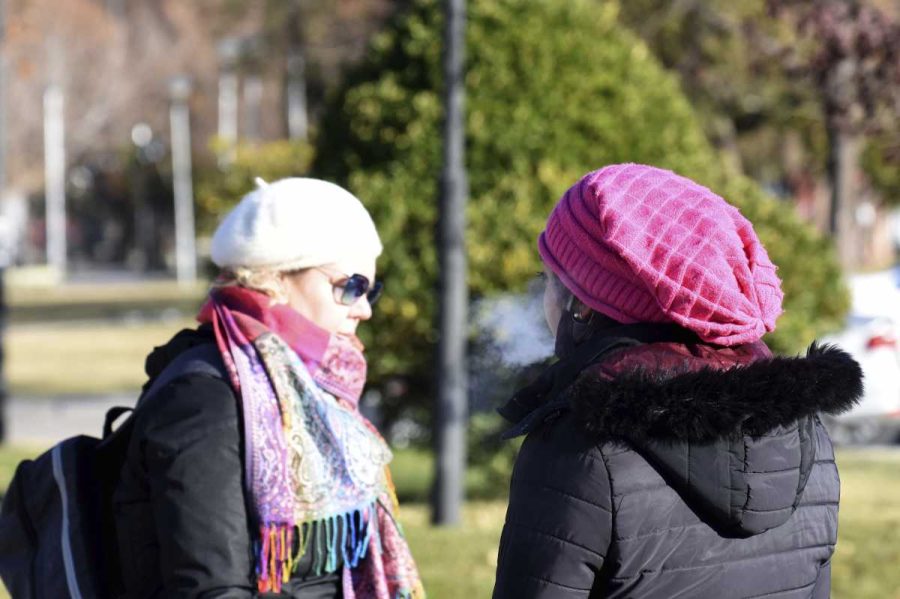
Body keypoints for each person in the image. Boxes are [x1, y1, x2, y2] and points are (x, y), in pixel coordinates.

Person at [492, 164, 862, 598]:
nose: (544, 299)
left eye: (548, 279)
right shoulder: (804, 435)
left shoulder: (580, 446)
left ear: (585, 305)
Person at [113, 177, 424, 598]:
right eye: (351, 287)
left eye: (372, 290)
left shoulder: (317, 390)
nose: (365, 309)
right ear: (274, 277)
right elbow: (211, 588)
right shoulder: (205, 397)